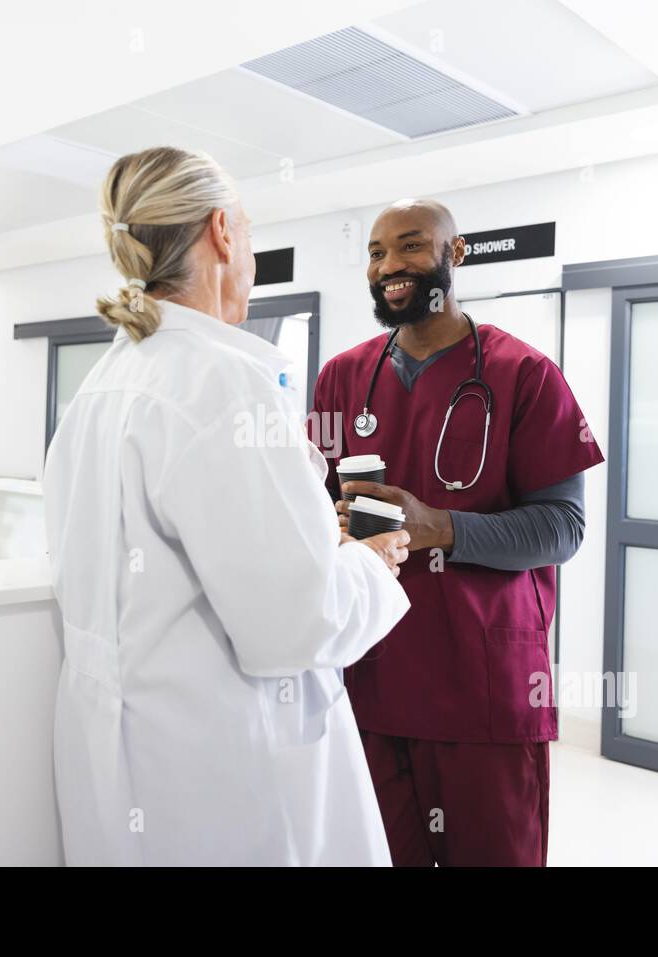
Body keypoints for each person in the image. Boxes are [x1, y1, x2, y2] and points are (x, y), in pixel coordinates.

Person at [42, 147, 412, 866]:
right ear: (222, 231)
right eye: (248, 228)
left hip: (123, 765)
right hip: (225, 776)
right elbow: (294, 624)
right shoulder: (220, 385)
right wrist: (370, 564)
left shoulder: (99, 392)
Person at [309, 198, 605, 866]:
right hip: (371, 684)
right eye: (377, 252)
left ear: (456, 253)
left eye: (410, 246)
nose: (390, 266)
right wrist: (327, 525)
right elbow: (311, 506)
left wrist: (436, 525)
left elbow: (563, 526)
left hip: (483, 692)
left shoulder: (524, 375)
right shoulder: (342, 378)